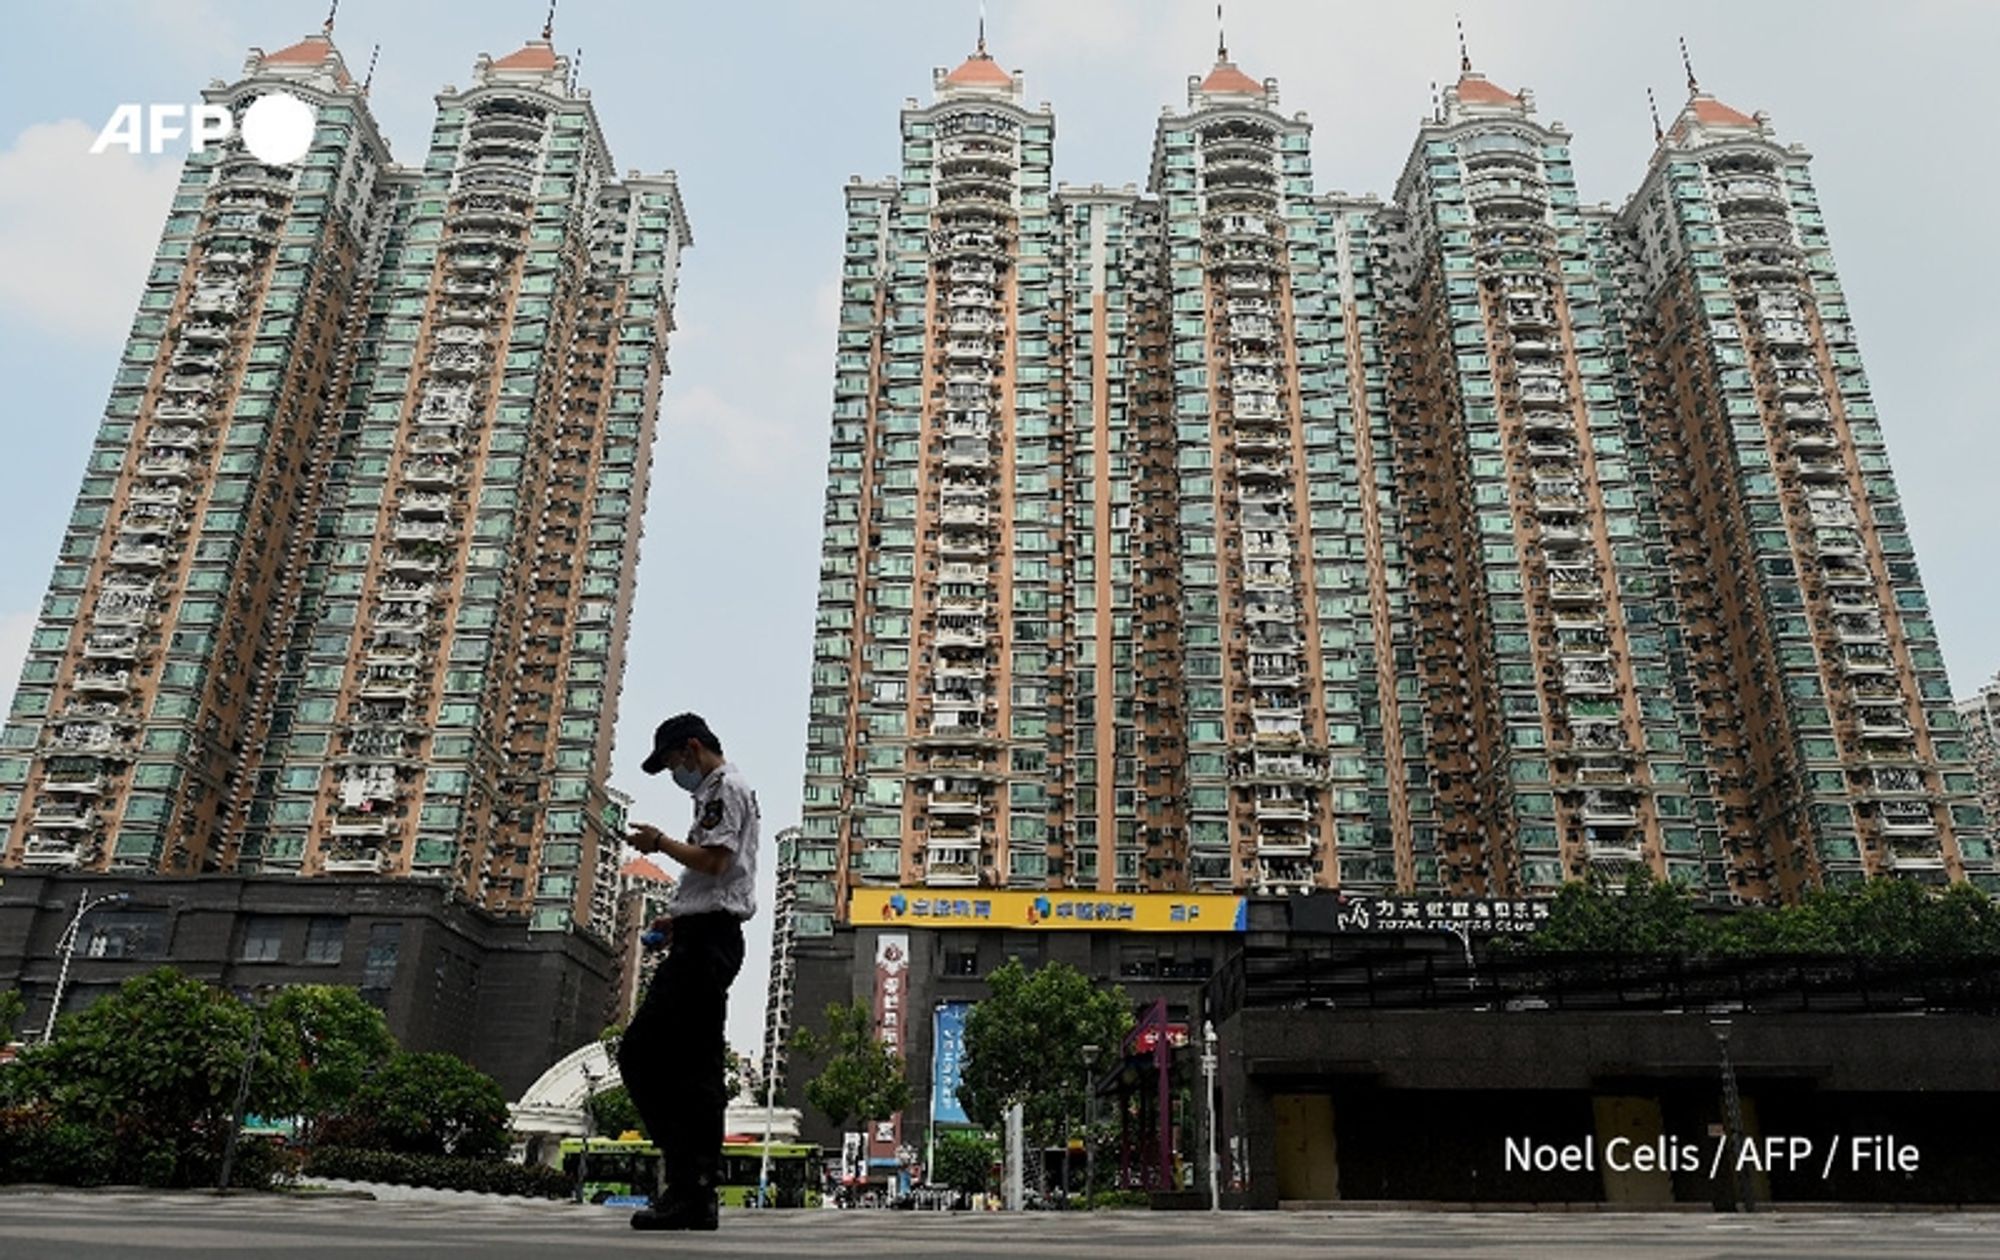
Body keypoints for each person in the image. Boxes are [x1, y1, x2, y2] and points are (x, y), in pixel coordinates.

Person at [618, 712, 760, 1232]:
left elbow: (717, 862)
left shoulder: (724, 787)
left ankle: (690, 1187)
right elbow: (720, 880)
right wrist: (680, 919)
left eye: (674, 761)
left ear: (692, 748)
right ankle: (692, 1189)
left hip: (711, 942)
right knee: (688, 1066)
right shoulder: (719, 790)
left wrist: (658, 844)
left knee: (646, 1054)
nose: (675, 773)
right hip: (702, 936)